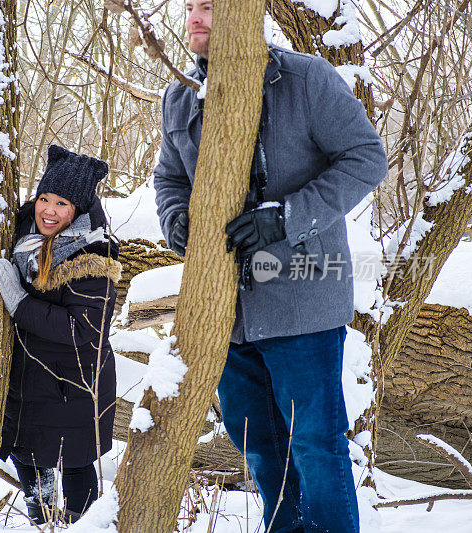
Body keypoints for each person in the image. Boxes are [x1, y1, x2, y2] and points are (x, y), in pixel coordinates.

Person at [153, 2, 388, 532]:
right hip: (225, 315)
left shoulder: (305, 78)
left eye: (210, 6)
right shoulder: (179, 94)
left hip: (302, 302)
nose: (195, 17)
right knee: (259, 448)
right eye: (190, 6)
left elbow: (367, 159)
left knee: (314, 445)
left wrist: (285, 218)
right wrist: (177, 222)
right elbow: (168, 179)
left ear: (243, 13)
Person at [0, 144, 120, 524]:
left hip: (74, 385)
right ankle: (43, 524)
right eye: (43, 198)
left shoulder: (93, 255)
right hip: (28, 380)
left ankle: (82, 526)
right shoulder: (21, 234)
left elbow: (84, 327)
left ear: (77, 210)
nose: (48, 210)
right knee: (29, 459)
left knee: (74, 465)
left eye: (61, 203)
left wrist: (18, 302)